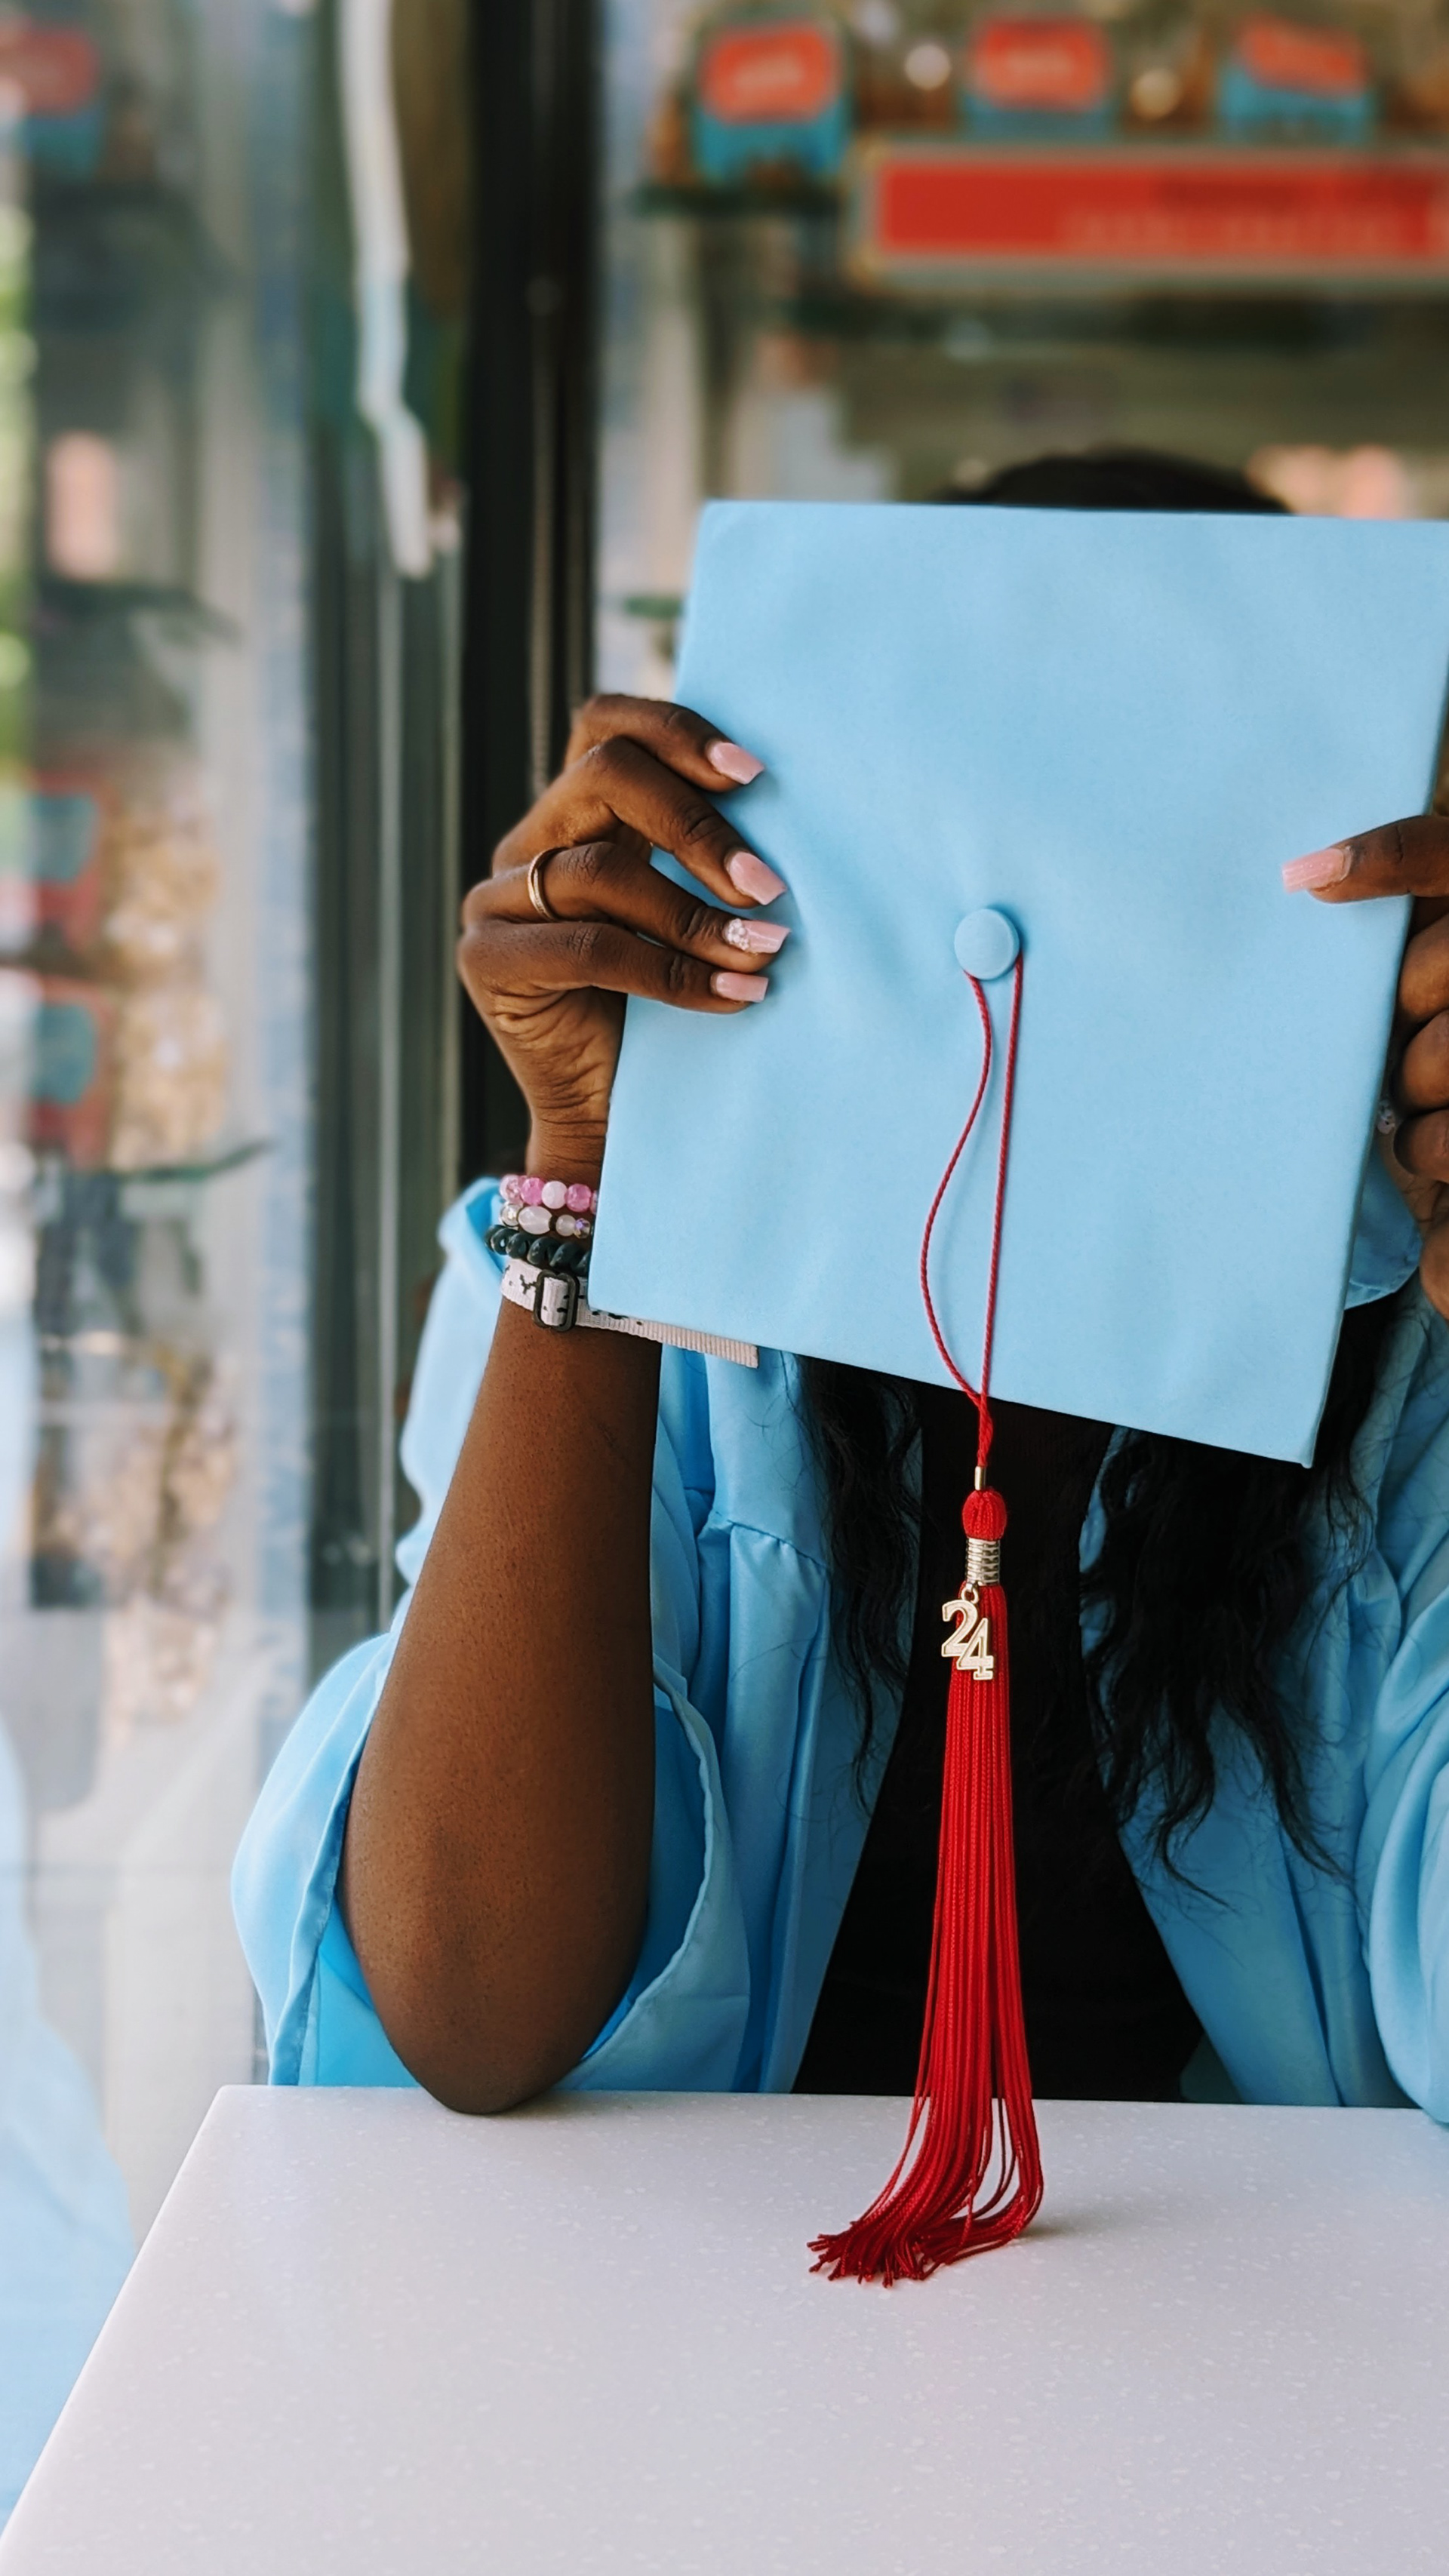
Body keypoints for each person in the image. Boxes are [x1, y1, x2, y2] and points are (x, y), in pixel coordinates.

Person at [233, 450, 1449, 2127]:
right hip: (696, 2306)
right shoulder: (635, 1283)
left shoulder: (1407, 1335)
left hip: (1263, 2330)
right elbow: (468, 1995)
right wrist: (589, 1171)